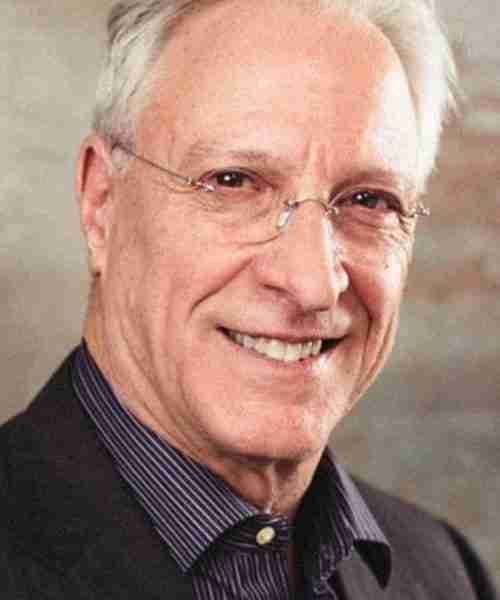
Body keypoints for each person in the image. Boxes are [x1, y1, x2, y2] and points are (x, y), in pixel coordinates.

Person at [1, 0, 497, 598]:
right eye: (233, 182)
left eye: (369, 200)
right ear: (101, 202)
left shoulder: (446, 574)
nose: (312, 284)